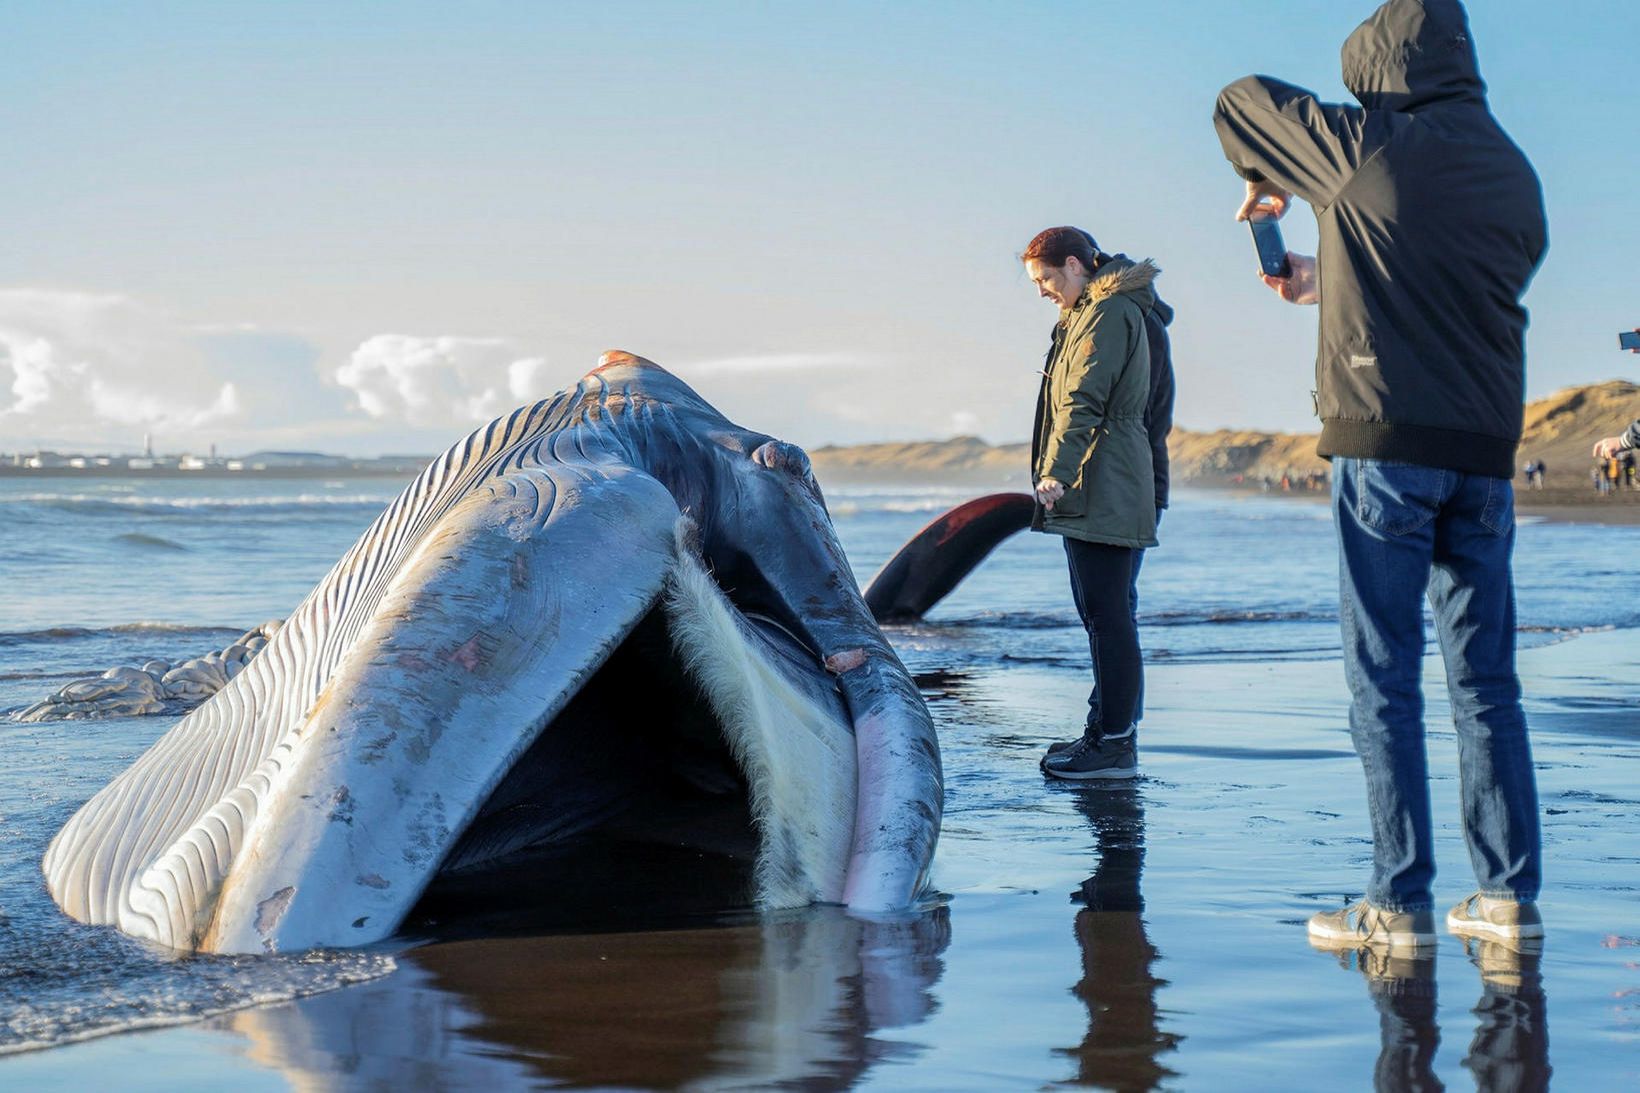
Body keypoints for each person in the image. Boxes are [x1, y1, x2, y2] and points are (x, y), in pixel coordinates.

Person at [1214, 0, 1548, 948]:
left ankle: (1395, 903)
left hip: (1387, 447)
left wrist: (1270, 178)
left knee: (1384, 675)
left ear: (1379, 64)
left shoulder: (1368, 142)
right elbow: (1452, 280)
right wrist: (1338, 270)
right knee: (1487, 682)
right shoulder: (1513, 173)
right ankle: (1508, 895)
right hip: (1482, 454)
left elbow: (1239, 101)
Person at [1020, 226, 1160, 780]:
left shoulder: (1107, 314)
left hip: (1103, 478)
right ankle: (1104, 733)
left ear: (1076, 265)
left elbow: (1083, 401)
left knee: (1108, 617)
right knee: (1102, 614)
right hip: (1099, 477)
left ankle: (1115, 746)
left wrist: (1056, 470)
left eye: (1047, 279)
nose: (1043, 291)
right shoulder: (1084, 314)